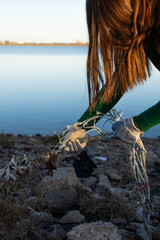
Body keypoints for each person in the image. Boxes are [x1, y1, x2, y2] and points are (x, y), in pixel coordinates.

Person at [59, 0, 160, 152]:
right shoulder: (143, 27)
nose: (109, 27)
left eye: (112, 18)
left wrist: (138, 124)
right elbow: (120, 79)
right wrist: (83, 125)